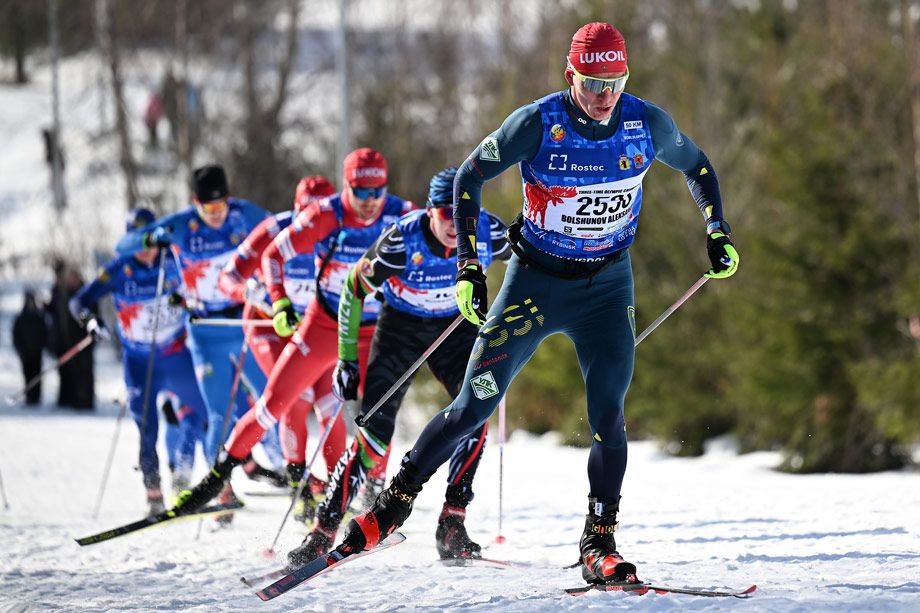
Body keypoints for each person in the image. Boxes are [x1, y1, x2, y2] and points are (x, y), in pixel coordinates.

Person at [339, 22, 740, 585]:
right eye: (594, 82)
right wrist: (471, 267)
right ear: (571, 74)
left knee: (608, 414)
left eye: (616, 81)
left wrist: (716, 228)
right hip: (534, 284)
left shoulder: (646, 124)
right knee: (472, 408)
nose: (606, 96)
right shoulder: (538, 123)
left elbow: (697, 166)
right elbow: (468, 180)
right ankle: (394, 504)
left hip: (606, 289)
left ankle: (599, 540)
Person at [170, 148, 415, 518]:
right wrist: (264, 297)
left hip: (353, 328)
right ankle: (225, 481)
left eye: (376, 192)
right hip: (280, 326)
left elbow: (438, 233)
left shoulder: (398, 213)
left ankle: (356, 492)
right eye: (360, 192)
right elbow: (238, 273)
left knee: (349, 407)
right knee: (286, 400)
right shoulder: (293, 225)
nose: (369, 201)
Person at [286, 167, 511, 566]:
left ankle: (453, 522)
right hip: (401, 329)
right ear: (429, 212)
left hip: (455, 326)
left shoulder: (488, 232)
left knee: (476, 413)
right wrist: (347, 358)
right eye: (448, 216)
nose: (458, 229)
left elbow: (532, 255)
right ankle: (323, 530)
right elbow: (353, 291)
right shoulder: (401, 242)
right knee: (374, 436)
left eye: (466, 217)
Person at [116, 165, 272, 517]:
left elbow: (284, 227)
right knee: (218, 411)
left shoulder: (242, 214)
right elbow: (123, 245)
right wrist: (148, 240)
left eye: (221, 207)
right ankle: (222, 487)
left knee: (274, 397)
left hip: (243, 320)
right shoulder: (182, 225)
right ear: (195, 203)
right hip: (205, 329)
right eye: (208, 209)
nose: (217, 216)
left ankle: (295, 475)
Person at [71, 208, 209, 514]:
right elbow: (79, 300)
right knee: (147, 429)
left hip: (176, 357)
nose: (147, 249)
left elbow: (203, 282)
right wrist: (90, 321)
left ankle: (220, 488)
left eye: (151, 239)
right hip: (139, 362)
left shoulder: (173, 260)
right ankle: (153, 492)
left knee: (206, 415)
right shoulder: (118, 269)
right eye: (139, 241)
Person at [218, 174, 340, 514]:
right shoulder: (275, 231)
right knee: (295, 399)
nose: (313, 223)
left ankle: (336, 491)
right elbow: (226, 277)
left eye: (321, 214)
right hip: (270, 328)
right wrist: (246, 291)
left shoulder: (343, 233)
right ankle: (300, 487)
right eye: (305, 214)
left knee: (332, 403)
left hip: (316, 329)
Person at [11, 289, 48, 406]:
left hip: (37, 352)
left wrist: (42, 346)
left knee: (37, 375)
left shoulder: (39, 316)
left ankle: (36, 397)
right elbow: (16, 334)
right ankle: (29, 396)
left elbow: (44, 333)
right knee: (27, 375)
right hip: (25, 352)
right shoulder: (21, 317)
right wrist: (20, 348)